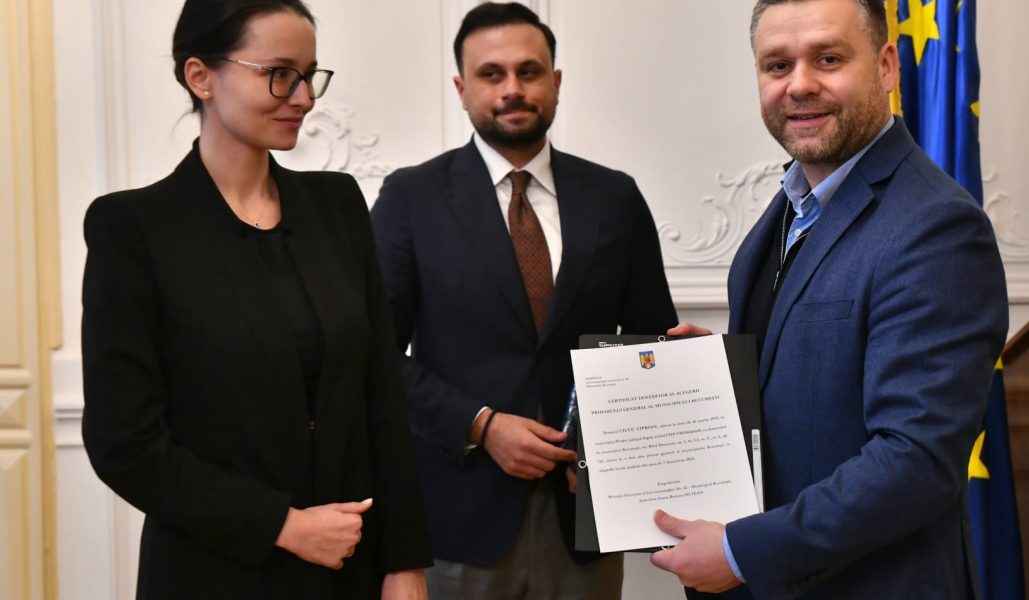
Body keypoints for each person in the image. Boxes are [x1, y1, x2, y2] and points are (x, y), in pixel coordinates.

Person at [650, 0, 1008, 597]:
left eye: (828, 59)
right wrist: (720, 375)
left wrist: (742, 553)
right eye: (777, 65)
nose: (799, 85)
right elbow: (817, 372)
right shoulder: (792, 205)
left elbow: (916, 460)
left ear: (887, 66)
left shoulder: (938, 226)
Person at [80, 1, 431, 598]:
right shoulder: (134, 228)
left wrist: (405, 563)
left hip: (351, 570)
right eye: (280, 74)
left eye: (309, 75)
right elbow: (124, 443)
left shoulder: (338, 205)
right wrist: (283, 527)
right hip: (214, 574)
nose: (304, 97)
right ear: (201, 76)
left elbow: (382, 396)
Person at [369, 3, 678, 598]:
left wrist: (611, 443)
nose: (512, 88)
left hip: (585, 516)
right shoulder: (411, 197)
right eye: (491, 74)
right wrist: (480, 425)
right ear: (461, 89)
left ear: (555, 82)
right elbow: (374, 354)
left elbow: (651, 342)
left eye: (529, 71)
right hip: (457, 515)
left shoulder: (615, 196)